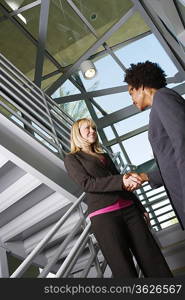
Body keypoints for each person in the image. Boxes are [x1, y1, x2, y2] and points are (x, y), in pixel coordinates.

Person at [64, 117, 172, 278]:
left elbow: (122, 182)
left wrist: (140, 207)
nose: (93, 131)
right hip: (104, 217)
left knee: (152, 257)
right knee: (123, 268)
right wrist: (121, 180)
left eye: (94, 128)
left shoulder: (104, 156)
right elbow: (87, 183)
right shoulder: (72, 159)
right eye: (87, 128)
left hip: (130, 211)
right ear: (77, 133)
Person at [124, 60, 185, 230]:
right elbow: (172, 160)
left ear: (142, 86)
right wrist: (146, 177)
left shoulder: (163, 98)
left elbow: (182, 142)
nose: (132, 100)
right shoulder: (158, 105)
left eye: (131, 92)